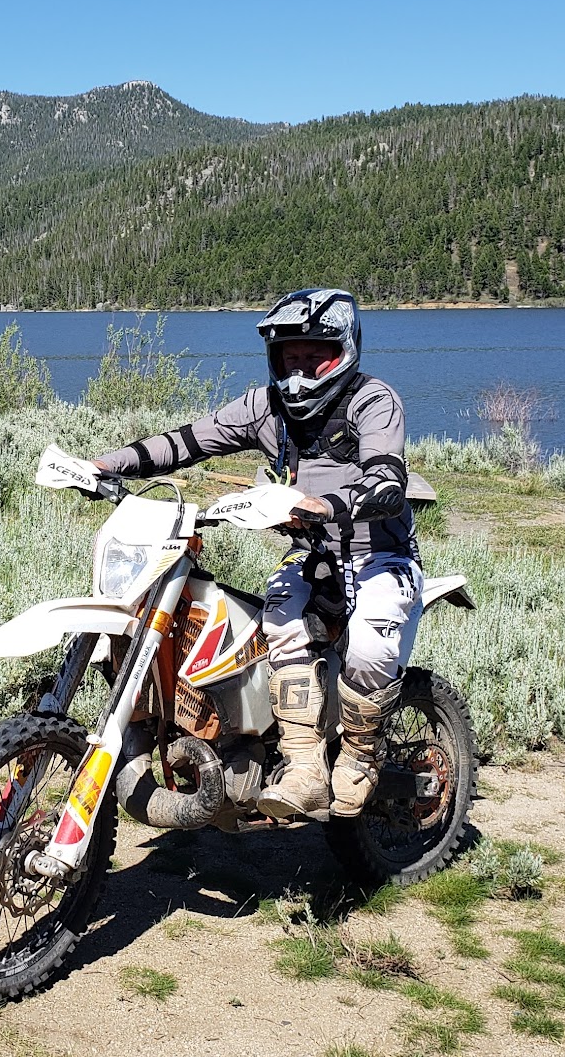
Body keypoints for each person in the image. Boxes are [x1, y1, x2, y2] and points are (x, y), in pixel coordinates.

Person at [92, 289, 421, 820]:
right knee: (278, 621)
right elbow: (189, 440)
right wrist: (110, 464)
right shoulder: (264, 407)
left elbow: (387, 479)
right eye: (288, 356)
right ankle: (304, 769)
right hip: (312, 554)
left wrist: (323, 504)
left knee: (368, 647)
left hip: (377, 553)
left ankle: (360, 758)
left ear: (343, 350)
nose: (299, 370)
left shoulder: (372, 400)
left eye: (314, 355)